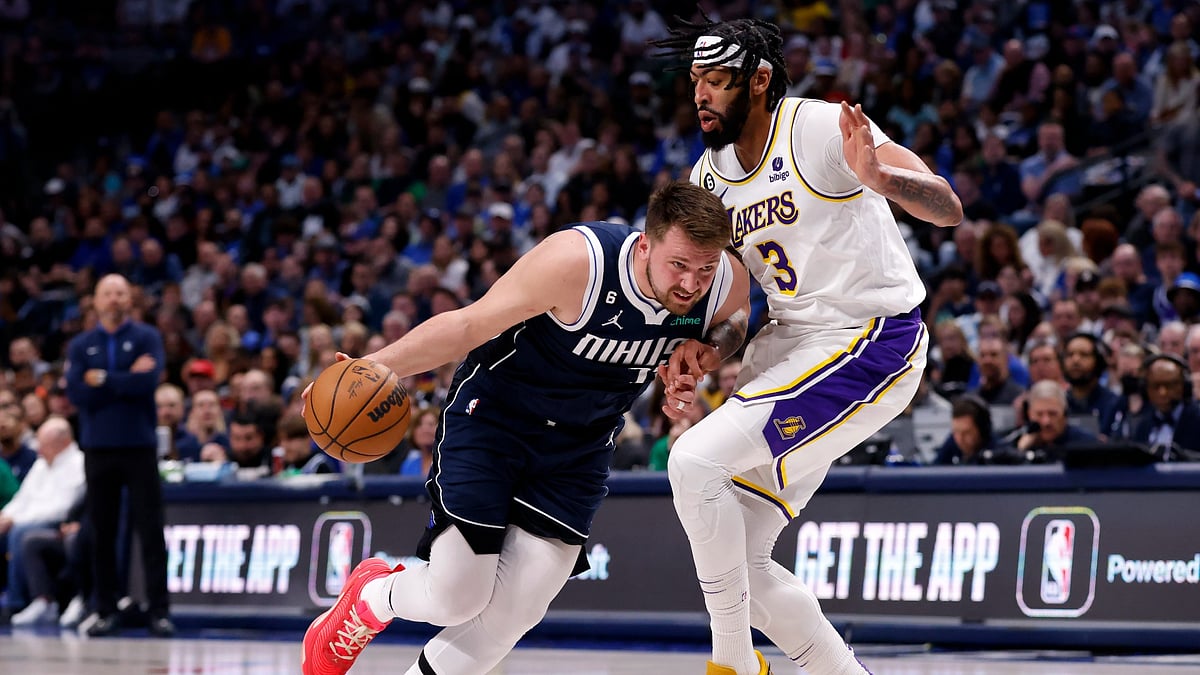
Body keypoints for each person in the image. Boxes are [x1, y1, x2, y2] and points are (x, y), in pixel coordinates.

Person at [299, 181, 751, 675]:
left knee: (515, 613)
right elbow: (469, 325)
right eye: (678, 265)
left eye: (704, 269)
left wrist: (708, 351)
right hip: (495, 419)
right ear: (645, 244)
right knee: (456, 597)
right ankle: (371, 595)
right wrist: (371, 366)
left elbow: (736, 317)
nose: (691, 284)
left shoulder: (725, 281)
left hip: (580, 444)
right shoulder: (578, 263)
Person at [650, 17, 962, 675]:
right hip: (793, 344)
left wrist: (882, 179)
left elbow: (947, 206)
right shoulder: (708, 177)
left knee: (692, 461)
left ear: (759, 81)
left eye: (717, 79)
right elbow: (739, 307)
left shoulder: (818, 127)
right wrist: (708, 351)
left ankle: (731, 663)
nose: (701, 93)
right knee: (743, 562)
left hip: (872, 337)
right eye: (696, 80)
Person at [64, 274, 175, 638]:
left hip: (139, 445)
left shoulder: (147, 337)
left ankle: (159, 611)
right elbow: (77, 393)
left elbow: (147, 382)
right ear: (95, 301)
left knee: (150, 529)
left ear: (130, 299)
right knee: (102, 531)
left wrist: (102, 379)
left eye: (120, 293)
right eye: (107, 293)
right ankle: (105, 609)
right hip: (98, 447)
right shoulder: (81, 344)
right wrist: (124, 377)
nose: (114, 299)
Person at [0, 416, 85, 619]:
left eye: (44, 444)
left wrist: (16, 520)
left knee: (20, 533)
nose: (39, 450)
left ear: (63, 443)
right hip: (28, 519)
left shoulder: (78, 464)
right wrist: (6, 515)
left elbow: (62, 508)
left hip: (57, 523)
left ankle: (17, 602)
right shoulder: (41, 464)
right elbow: (22, 498)